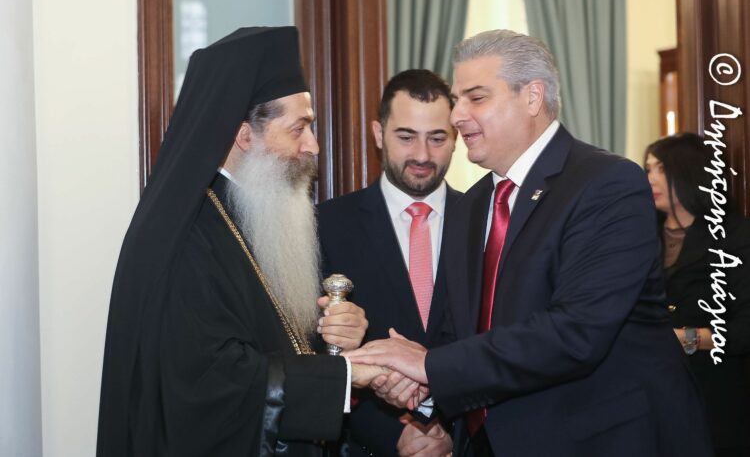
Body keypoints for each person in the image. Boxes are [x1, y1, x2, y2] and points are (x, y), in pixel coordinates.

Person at [346, 29, 714, 457]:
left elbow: (575, 332)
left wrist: (427, 366)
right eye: (457, 99)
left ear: (533, 97)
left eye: (475, 98)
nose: (457, 116)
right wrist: (419, 385)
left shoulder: (607, 183)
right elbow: (462, 331)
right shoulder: (473, 204)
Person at [96, 27, 387, 457]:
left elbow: (278, 342)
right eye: (299, 128)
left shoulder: (261, 217)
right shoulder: (188, 238)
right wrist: (343, 377)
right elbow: (210, 383)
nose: (313, 146)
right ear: (244, 135)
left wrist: (335, 339)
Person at [318, 69, 461, 456]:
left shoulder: (485, 224)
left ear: (456, 138)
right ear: (379, 134)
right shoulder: (326, 226)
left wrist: (453, 432)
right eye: (406, 137)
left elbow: (498, 344)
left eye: (437, 138)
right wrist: (392, 435)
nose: (422, 155)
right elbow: (311, 352)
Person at [645, 132, 750, 457]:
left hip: (714, 403)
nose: (650, 178)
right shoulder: (638, 232)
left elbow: (745, 329)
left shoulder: (734, 236)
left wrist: (687, 338)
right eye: (647, 169)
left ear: (690, 172)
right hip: (647, 402)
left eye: (661, 168)